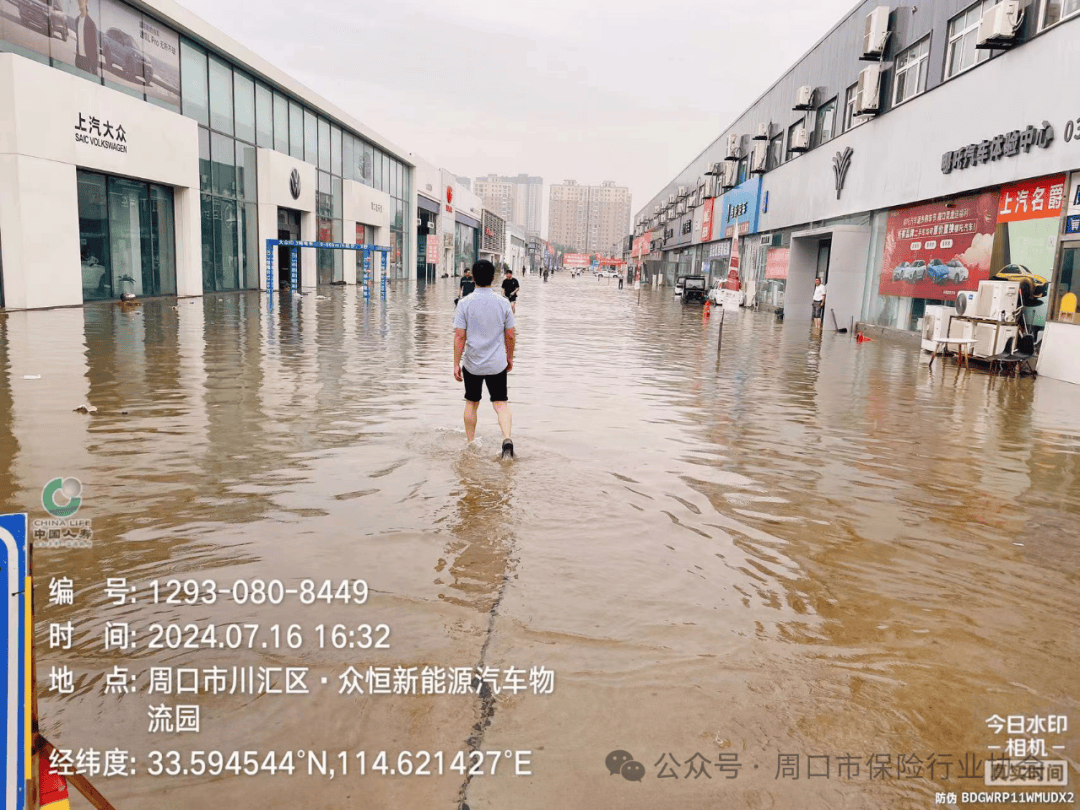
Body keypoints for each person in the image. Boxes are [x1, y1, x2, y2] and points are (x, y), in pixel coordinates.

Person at [453, 260, 515, 459]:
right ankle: (506, 438)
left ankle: (471, 444)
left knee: (471, 403)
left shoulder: (464, 303)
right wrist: (509, 358)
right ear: (493, 278)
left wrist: (455, 363)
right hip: (497, 363)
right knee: (500, 403)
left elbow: (460, 336)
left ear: (473, 278)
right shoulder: (504, 303)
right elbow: (511, 335)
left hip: (472, 363)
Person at [75, 0, 99, 76]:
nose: (80, 2)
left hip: (88, 62)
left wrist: (94, 68)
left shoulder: (91, 24)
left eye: (82, 1)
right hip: (79, 60)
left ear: (86, 2)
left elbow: (95, 48)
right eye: (79, 1)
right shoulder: (77, 21)